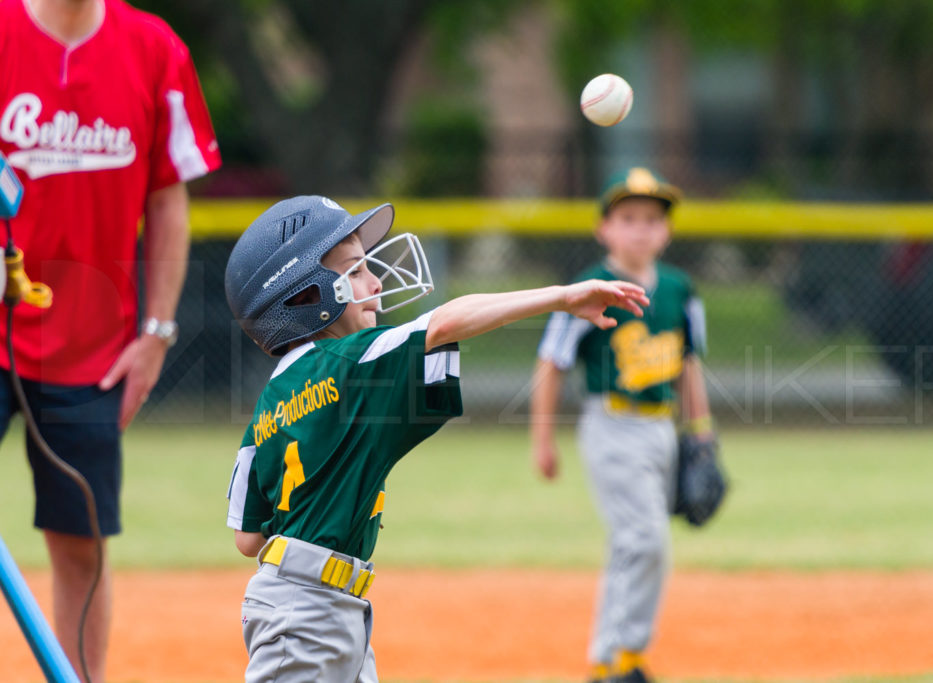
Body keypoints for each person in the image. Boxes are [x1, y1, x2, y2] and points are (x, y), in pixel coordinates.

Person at [223, 194, 649, 682]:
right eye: (357, 270)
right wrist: (562, 296)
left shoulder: (270, 403)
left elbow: (248, 537)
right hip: (309, 614)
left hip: (315, 604)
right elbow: (446, 321)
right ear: (307, 298)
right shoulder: (350, 363)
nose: (376, 281)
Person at [0, 0, 220, 679]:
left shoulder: (156, 51)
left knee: (81, 544)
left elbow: (167, 198)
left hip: (90, 351)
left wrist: (156, 332)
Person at [529, 167, 714, 683]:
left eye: (652, 219)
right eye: (628, 218)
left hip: (662, 430)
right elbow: (551, 364)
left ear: (667, 231)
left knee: (633, 545)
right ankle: (624, 657)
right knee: (647, 539)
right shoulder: (586, 290)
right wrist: (542, 440)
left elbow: (690, 365)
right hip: (611, 425)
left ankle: (609, 659)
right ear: (603, 228)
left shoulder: (680, 290)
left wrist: (702, 432)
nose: (640, 229)